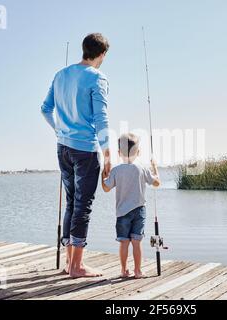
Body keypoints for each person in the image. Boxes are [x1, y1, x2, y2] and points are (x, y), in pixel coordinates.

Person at [41, 33, 111, 278]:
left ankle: (70, 262)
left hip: (63, 148)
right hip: (85, 150)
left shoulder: (60, 75)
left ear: (84, 50)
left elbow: (45, 108)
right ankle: (76, 267)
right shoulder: (97, 77)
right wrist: (108, 152)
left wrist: (59, 130)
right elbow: (101, 116)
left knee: (71, 202)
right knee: (83, 206)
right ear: (101, 54)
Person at [101, 133, 161, 279]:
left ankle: (123, 270)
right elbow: (157, 183)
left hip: (122, 213)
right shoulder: (143, 169)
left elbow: (106, 188)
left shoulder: (115, 170)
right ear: (138, 152)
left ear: (119, 153)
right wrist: (155, 168)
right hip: (139, 211)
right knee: (136, 242)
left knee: (123, 242)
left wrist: (103, 174)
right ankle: (138, 271)